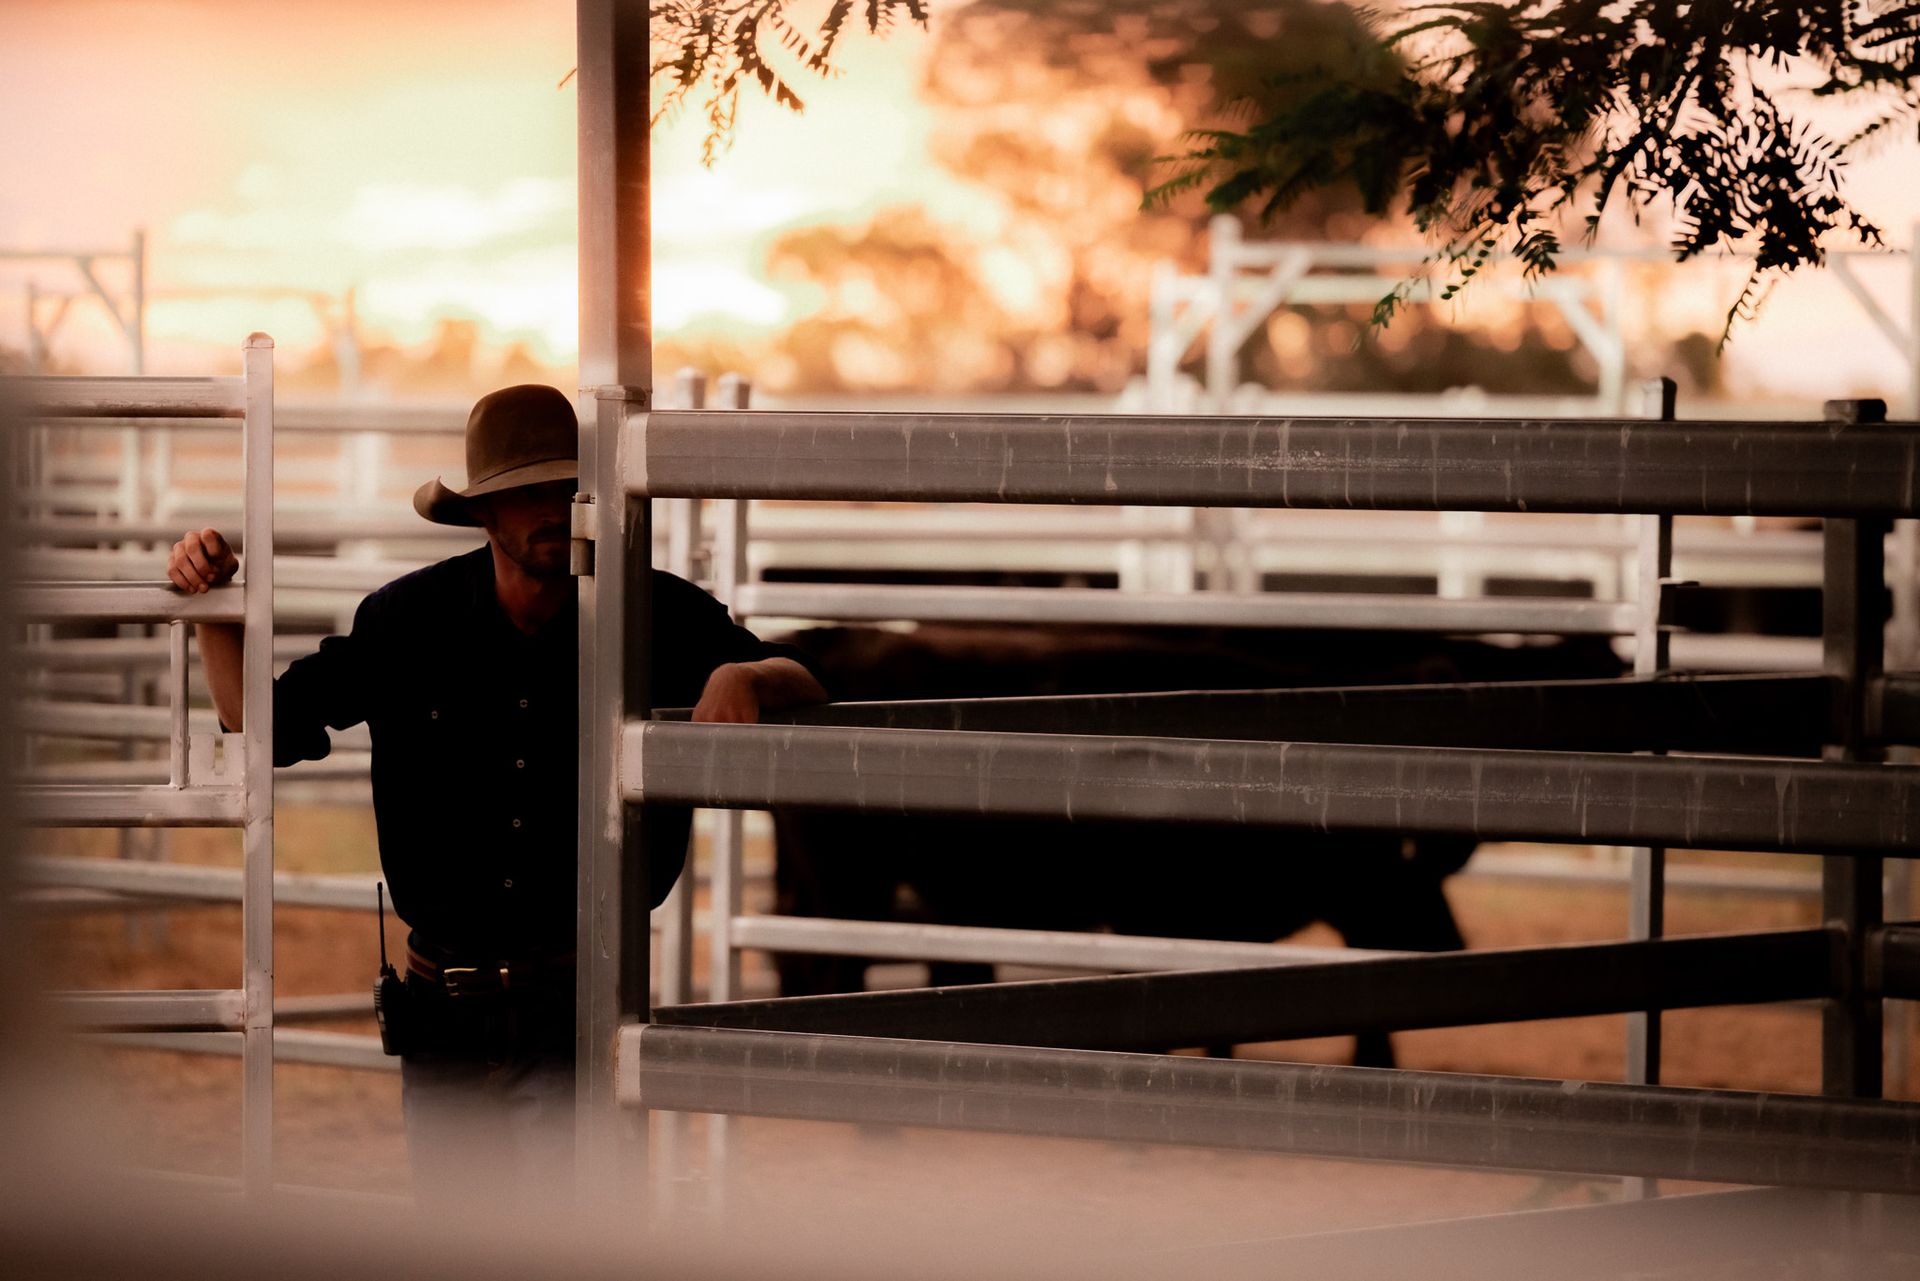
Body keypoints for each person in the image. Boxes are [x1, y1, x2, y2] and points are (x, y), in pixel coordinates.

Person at [166, 383, 826, 1203]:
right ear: (483, 511)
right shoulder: (405, 621)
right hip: (441, 1007)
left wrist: (745, 670)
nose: (553, 509)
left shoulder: (651, 611)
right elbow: (256, 724)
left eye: (567, 488)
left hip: (578, 1006)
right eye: (526, 493)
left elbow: (806, 677)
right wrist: (211, 605)